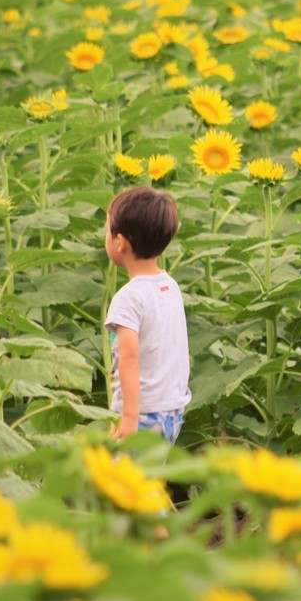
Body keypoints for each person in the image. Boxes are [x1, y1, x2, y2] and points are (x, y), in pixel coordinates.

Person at [103, 186, 191, 444]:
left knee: (122, 482)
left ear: (121, 242)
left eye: (107, 230)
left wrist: (129, 418)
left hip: (141, 416)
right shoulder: (169, 286)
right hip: (171, 411)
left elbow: (129, 358)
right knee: (150, 480)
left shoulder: (128, 298)